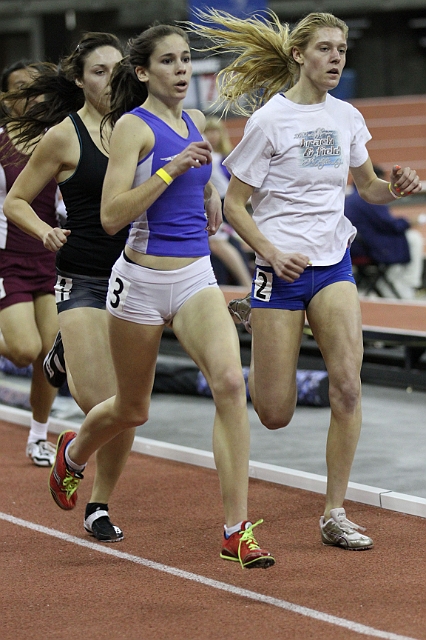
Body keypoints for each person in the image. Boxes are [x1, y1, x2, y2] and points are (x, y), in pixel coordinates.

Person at [189, 9, 422, 550]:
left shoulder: (347, 117)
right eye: (325, 48)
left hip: (333, 264)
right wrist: (270, 250)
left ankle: (335, 511)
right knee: (273, 412)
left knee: (346, 387)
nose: (336, 57)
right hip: (279, 270)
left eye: (342, 48)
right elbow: (235, 202)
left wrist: (398, 186)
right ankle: (258, 306)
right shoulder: (270, 121)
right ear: (299, 55)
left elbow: (367, 188)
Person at [45, 24, 274, 569]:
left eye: (185, 59)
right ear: (143, 72)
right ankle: (73, 454)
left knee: (226, 383)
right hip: (140, 283)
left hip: (195, 276)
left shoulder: (192, 120)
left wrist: (212, 189)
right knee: (131, 408)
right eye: (168, 61)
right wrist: (174, 170)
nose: (179, 69)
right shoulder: (131, 127)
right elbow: (110, 217)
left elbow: (197, 171)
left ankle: (235, 530)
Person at [2, 33, 136, 543]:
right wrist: (44, 231)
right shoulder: (64, 134)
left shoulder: (142, 123)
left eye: (118, 69)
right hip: (82, 276)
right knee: (101, 400)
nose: (111, 79)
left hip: (138, 278)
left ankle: (98, 504)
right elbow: (16, 201)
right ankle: (61, 357)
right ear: (79, 80)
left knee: (128, 408)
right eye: (99, 71)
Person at [0, 59, 61, 467]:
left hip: (49, 256)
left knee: (51, 354)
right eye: (21, 89)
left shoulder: (57, 140)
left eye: (37, 89)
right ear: (7, 99)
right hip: (7, 258)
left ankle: (39, 435)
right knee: (24, 351)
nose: (31, 97)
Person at [345, 165, 425, 299]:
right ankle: (409, 283)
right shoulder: (368, 197)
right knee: (414, 239)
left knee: (406, 240)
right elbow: (389, 225)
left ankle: (392, 281)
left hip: (354, 247)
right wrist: (409, 222)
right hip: (368, 248)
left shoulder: (351, 198)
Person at [203, 116, 252, 287]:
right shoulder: (209, 156)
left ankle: (246, 283)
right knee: (219, 244)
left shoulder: (226, 157)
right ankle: (244, 283)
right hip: (216, 201)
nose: (212, 135)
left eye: (215, 131)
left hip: (228, 202)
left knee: (224, 244)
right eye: (207, 131)